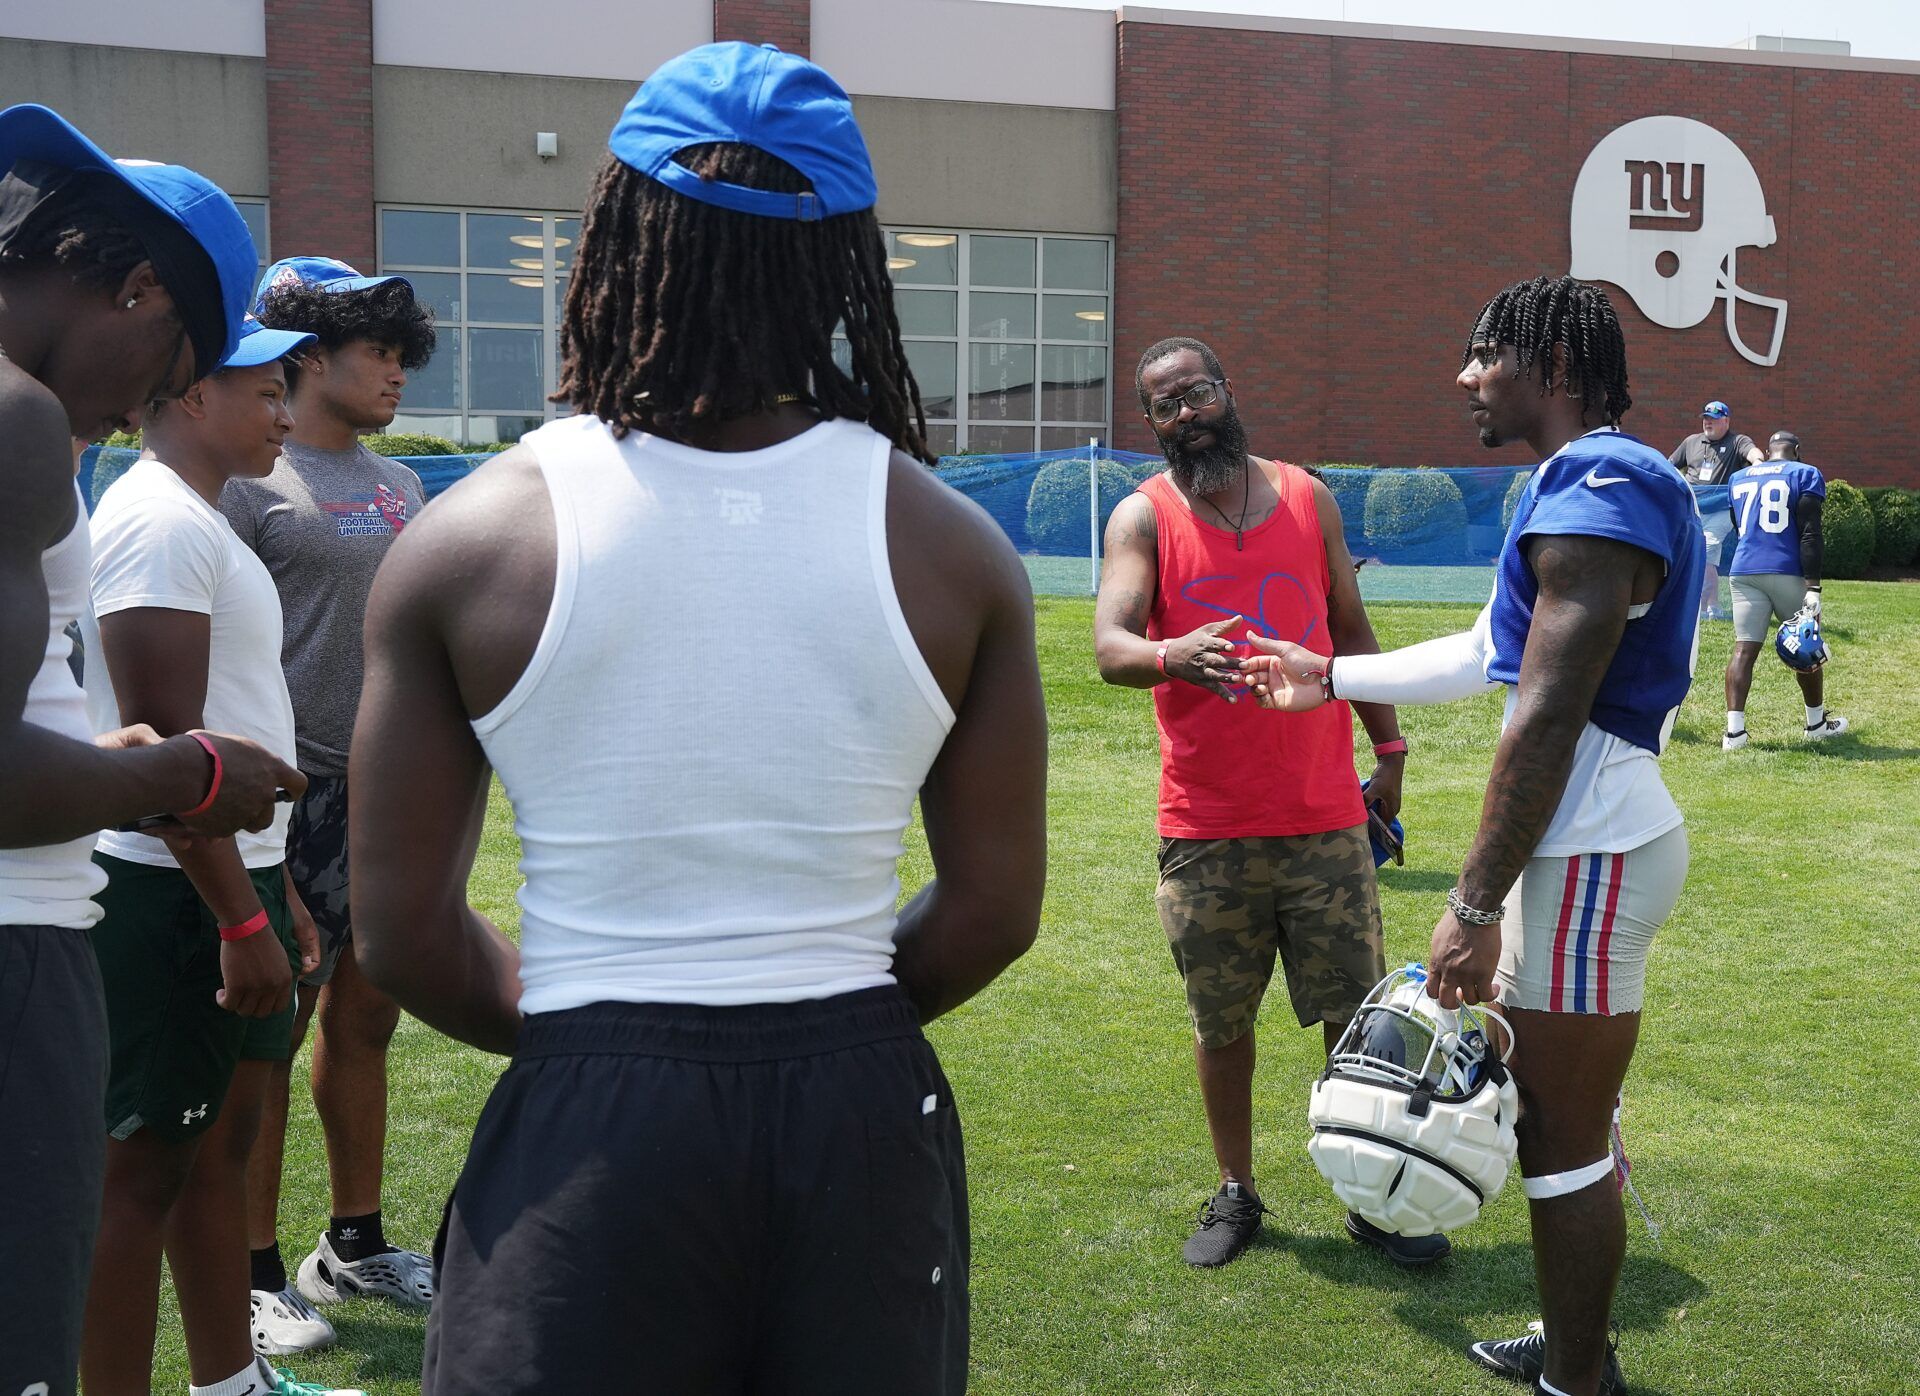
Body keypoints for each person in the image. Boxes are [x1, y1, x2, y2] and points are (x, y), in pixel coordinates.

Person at [348, 42, 1045, 1392]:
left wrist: (613, 1032)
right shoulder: (953, 551)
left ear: (615, 233)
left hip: (587, 1106)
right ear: (846, 258)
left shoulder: (466, 541)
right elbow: (990, 913)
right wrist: (806, 1010)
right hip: (860, 1101)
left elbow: (403, 934)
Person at [1243, 276, 1703, 1396]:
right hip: (1582, 845)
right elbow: (1492, 650)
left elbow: (1546, 710)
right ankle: (1577, 1341)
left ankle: (1578, 1379)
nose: (1463, 377)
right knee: (1551, 1118)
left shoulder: (1605, 475)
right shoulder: (1579, 482)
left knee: (1563, 1136)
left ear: (1551, 366)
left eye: (1483, 354)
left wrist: (1474, 903)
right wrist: (1330, 676)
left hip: (1590, 849)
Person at [0, 103, 304, 1396]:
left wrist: (95, 744)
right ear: (133, 288)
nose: (154, 401)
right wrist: (188, 776)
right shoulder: (20, 422)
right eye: (180, 358)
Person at [1094, 336, 1425, 1270]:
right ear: (1152, 424)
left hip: (1324, 816)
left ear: (1226, 392)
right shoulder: (1143, 518)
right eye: (1165, 404)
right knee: (1222, 1025)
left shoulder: (1307, 496)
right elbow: (1111, 644)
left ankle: (1367, 1194)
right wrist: (1172, 654)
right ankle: (1237, 1191)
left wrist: (1390, 750)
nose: (1186, 412)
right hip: (1207, 827)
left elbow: (1351, 630)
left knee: (1351, 1020)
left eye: (1196, 391)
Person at [78, 319, 362, 1396]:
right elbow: (168, 756)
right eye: (264, 392)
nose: (286, 414)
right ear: (191, 396)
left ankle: (228, 1383)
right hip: (166, 894)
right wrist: (238, 915)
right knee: (137, 1177)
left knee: (208, 1160)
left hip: (223, 883)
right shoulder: (155, 522)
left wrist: (275, 891)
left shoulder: (198, 520)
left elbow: (233, 732)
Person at [222, 256, 437, 1339]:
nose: (397, 373)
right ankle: (255, 1272)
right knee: (271, 1029)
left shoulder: (401, 488)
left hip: (386, 794)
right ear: (307, 356)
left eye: (404, 354)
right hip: (278, 792)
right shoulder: (246, 479)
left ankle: (351, 1246)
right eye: (378, 352)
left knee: (367, 1017)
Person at [1722, 430, 1845, 749]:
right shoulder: (1805, 473)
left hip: (1744, 569)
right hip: (1786, 570)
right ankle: (1815, 724)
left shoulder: (1739, 477)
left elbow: (1740, 526)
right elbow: (1809, 534)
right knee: (1807, 646)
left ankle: (1734, 734)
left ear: (1767, 451)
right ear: (1797, 451)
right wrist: (1814, 586)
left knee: (1743, 650)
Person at [1669, 401, 1762, 621]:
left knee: (1708, 546)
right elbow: (1670, 464)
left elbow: (1753, 453)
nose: (1707, 422)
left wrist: (1758, 463)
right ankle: (1712, 604)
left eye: (1713, 418)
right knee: (1694, 553)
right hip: (1692, 508)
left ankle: (1702, 606)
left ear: (1726, 421)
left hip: (1721, 508)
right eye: (1705, 418)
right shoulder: (1691, 442)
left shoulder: (1737, 441)